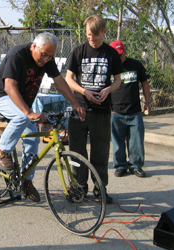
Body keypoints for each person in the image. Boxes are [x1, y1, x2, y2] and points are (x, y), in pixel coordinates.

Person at [0, 32, 85, 202]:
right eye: (43, 55)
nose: (46, 59)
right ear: (34, 46)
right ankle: (2, 149)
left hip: (22, 102)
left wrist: (75, 102)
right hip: (1, 96)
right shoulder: (17, 55)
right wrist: (28, 112)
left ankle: (27, 180)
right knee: (22, 117)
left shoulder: (47, 59)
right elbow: (9, 86)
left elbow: (59, 81)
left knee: (33, 139)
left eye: (50, 56)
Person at [65, 15, 123, 204]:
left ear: (104, 32)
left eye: (95, 36)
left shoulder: (111, 54)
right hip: (79, 110)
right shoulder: (78, 51)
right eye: (89, 35)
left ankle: (100, 189)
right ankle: (79, 188)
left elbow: (118, 80)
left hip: (101, 112)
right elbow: (68, 79)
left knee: (100, 153)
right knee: (77, 152)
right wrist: (84, 92)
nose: (91, 39)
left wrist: (108, 89)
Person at [109, 40, 151, 178]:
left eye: (120, 54)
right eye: (115, 55)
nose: (119, 57)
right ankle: (120, 166)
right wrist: (110, 109)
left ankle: (136, 166)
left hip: (134, 112)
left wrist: (147, 102)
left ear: (125, 51)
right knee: (118, 142)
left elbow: (145, 83)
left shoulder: (135, 64)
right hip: (116, 112)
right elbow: (103, 88)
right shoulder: (108, 68)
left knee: (136, 141)